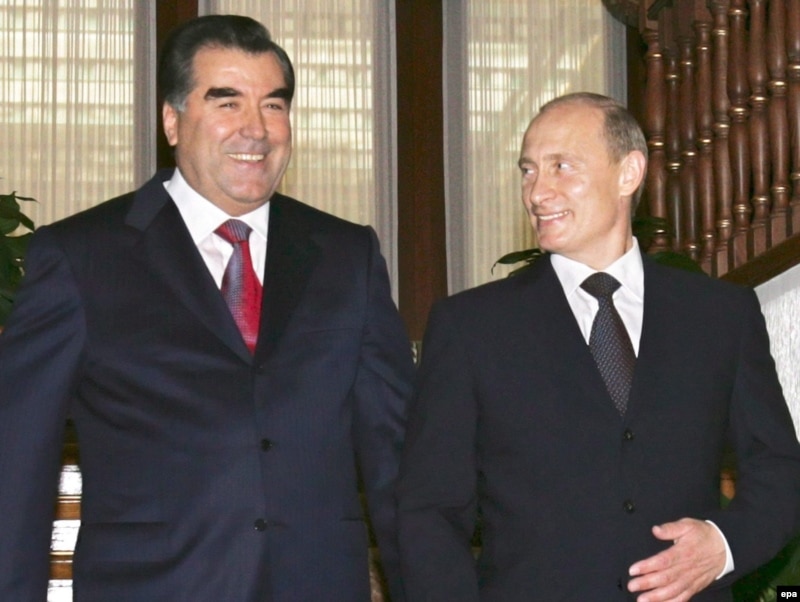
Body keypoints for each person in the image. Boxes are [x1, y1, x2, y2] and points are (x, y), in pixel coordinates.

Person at [0, 14, 413, 602]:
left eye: (273, 105)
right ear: (172, 120)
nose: (256, 129)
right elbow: (16, 465)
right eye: (227, 103)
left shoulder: (349, 255)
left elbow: (397, 458)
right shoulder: (80, 256)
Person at [396, 92, 800, 601]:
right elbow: (429, 510)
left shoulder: (721, 315)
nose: (537, 192)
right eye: (528, 171)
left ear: (629, 173)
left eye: (561, 166)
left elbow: (779, 469)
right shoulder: (470, 326)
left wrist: (724, 546)